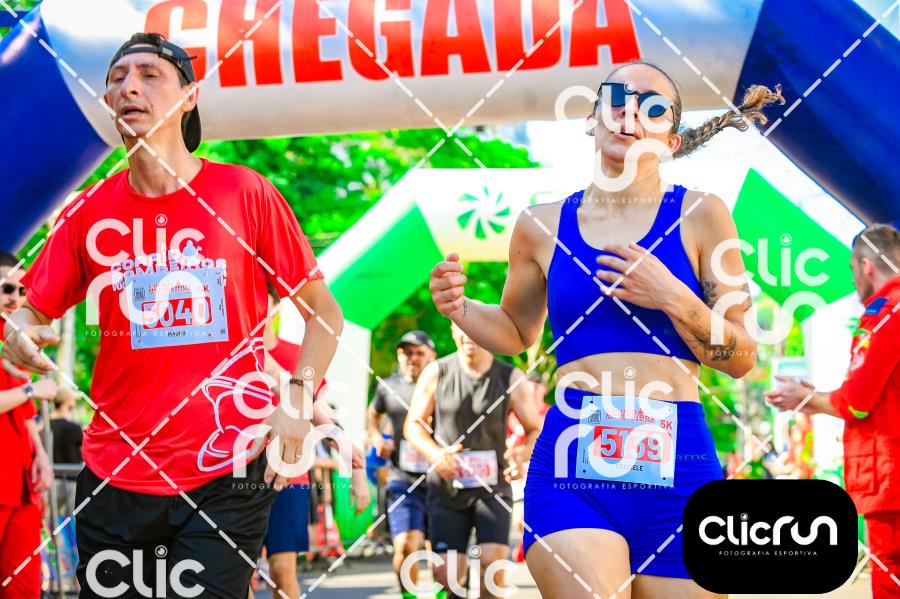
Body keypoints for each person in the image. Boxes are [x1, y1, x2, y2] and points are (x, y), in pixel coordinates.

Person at [2, 33, 360, 598]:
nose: (130, 87)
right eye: (117, 78)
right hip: (115, 474)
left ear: (189, 96)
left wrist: (296, 401)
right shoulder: (87, 212)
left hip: (228, 467)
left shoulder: (244, 192)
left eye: (149, 75)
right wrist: (18, 336)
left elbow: (324, 313)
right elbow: (28, 313)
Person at [429, 61, 782, 598]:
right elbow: (516, 331)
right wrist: (460, 309)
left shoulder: (703, 214)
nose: (630, 113)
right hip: (573, 463)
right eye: (618, 98)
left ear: (671, 141)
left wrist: (673, 297)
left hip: (680, 464)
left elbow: (742, 357)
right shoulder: (540, 225)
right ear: (591, 118)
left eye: (653, 108)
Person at [766, 223, 900, 599]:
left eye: (853, 271)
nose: (854, 282)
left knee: (890, 576)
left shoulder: (884, 313)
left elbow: (858, 400)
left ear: (866, 266)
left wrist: (806, 399)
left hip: (890, 476)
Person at [405, 323, 542, 599]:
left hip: (493, 486)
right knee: (447, 577)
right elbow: (413, 425)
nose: (469, 335)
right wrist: (436, 454)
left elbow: (535, 429)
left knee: (492, 568)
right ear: (453, 333)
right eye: (462, 329)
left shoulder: (510, 376)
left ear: (487, 331)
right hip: (447, 486)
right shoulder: (437, 372)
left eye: (475, 328)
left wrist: (522, 453)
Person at [0, 252, 56, 598]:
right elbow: (25, 396)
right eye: (6, 288)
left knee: (23, 587)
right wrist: (32, 389)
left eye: (22, 291)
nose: (15, 298)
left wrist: (41, 457)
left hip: (21, 483)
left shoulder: (18, 340)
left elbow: (25, 414)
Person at [368, 330, 437, 598]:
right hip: (403, 477)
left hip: (439, 477)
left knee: (438, 549)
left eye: (419, 353)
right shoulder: (388, 386)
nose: (412, 358)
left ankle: (442, 593)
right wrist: (377, 438)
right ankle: (409, 596)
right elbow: (373, 415)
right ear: (399, 355)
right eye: (407, 352)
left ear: (432, 356)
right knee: (406, 545)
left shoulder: (443, 383)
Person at [505, 372, 548, 562]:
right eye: (529, 385)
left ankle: (533, 544)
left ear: (544, 389)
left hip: (543, 470)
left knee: (539, 511)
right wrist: (513, 456)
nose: (533, 389)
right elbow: (505, 441)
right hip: (520, 470)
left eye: (537, 385)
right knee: (519, 518)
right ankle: (527, 540)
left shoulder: (551, 414)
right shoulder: (513, 416)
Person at [50, 386, 83, 464]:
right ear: (67, 401)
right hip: (73, 471)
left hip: (51, 471)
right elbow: (84, 453)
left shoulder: (45, 427)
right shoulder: (74, 428)